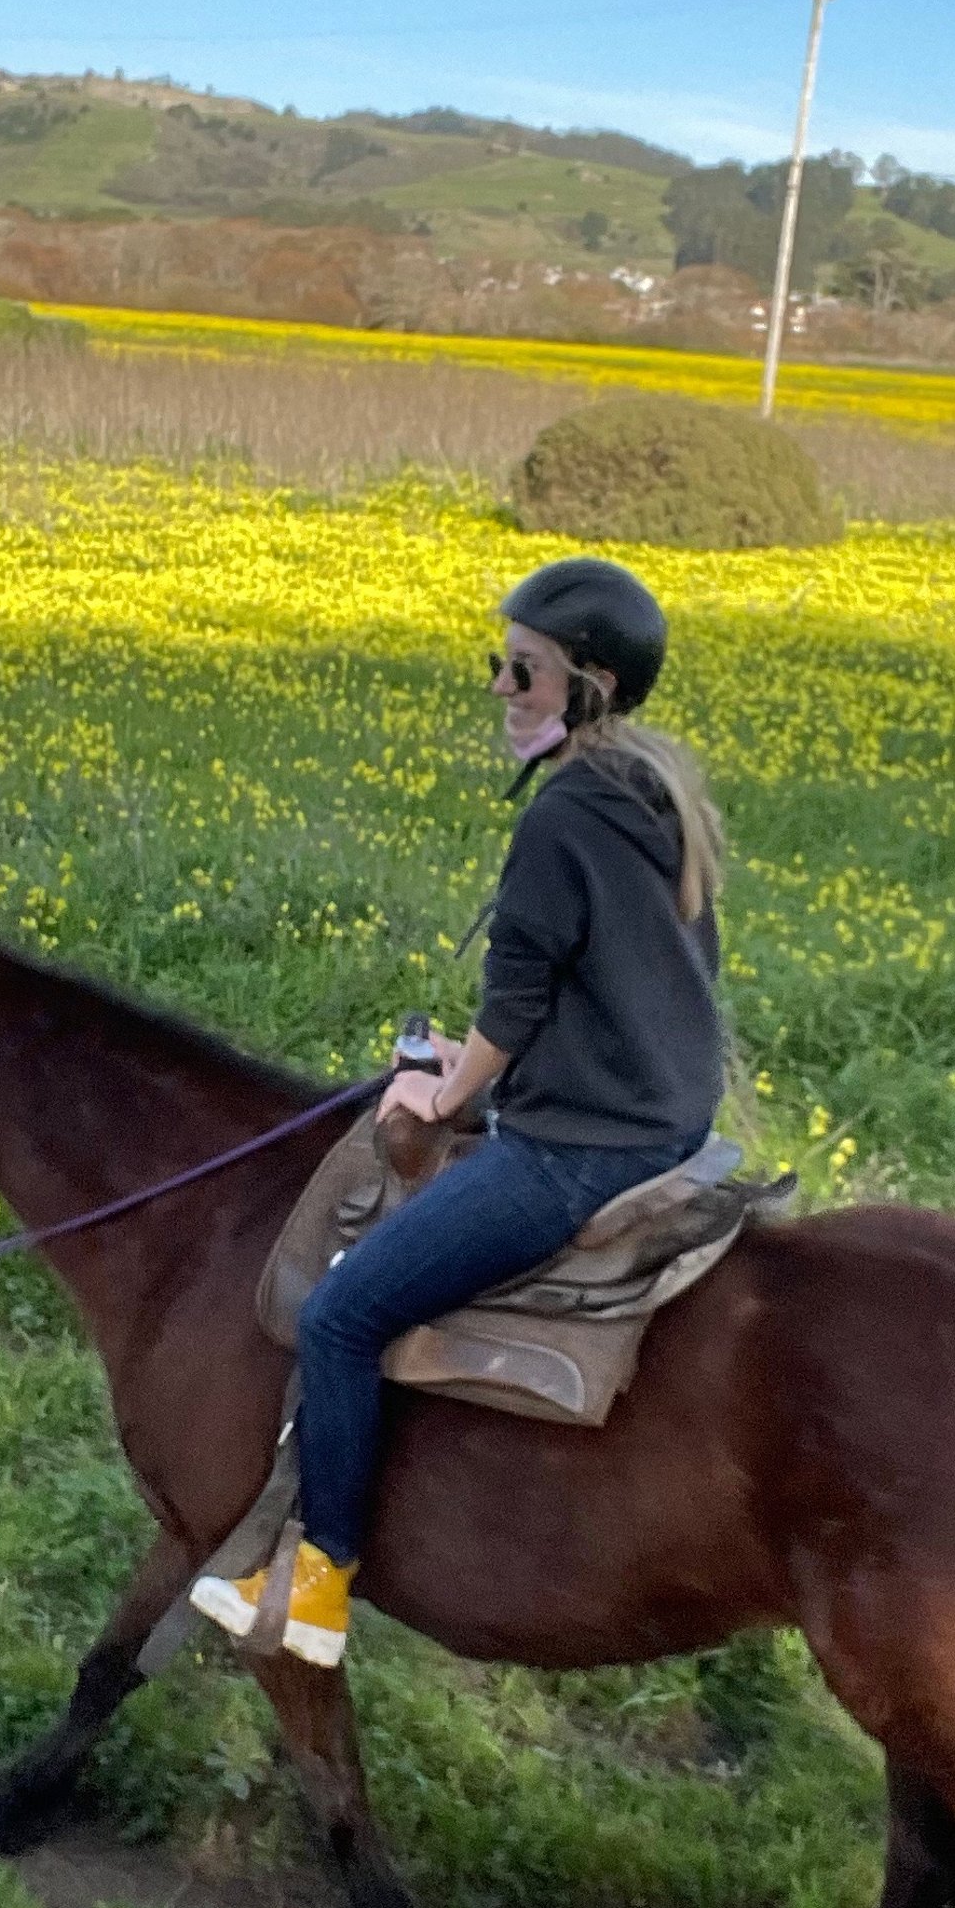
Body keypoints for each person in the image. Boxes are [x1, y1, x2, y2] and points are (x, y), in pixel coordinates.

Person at [190, 555, 728, 1667]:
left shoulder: (560, 821)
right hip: (663, 1118)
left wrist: (445, 1085)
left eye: (521, 670)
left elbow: (517, 1003)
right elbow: (618, 980)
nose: (500, 688)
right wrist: (477, 1063)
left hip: (577, 1149)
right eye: (500, 664)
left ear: (588, 683)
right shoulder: (653, 791)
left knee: (341, 1317)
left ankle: (321, 1586)